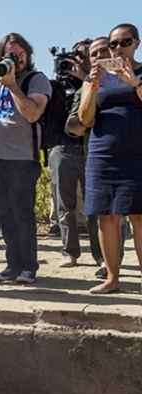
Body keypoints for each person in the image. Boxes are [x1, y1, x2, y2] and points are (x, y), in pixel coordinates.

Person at [0, 33, 52, 285]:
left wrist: (13, 84)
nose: (16, 59)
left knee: (22, 215)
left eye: (20, 54)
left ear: (28, 54)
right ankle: (12, 264)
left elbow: (33, 113)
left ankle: (28, 266)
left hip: (22, 160)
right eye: (10, 54)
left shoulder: (36, 80)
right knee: (2, 214)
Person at [79, 23, 142, 294]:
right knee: (106, 216)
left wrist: (134, 82)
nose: (117, 48)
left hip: (137, 152)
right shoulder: (96, 77)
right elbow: (84, 118)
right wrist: (93, 82)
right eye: (112, 44)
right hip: (103, 153)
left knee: (139, 216)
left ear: (136, 43)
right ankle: (112, 278)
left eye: (123, 42)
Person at [66, 37, 116, 280]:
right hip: (99, 157)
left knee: (137, 217)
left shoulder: (134, 76)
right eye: (93, 54)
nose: (99, 56)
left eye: (103, 50)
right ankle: (110, 268)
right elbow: (73, 124)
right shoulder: (88, 83)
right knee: (105, 216)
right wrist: (85, 120)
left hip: (132, 155)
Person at [51, 39, 101, 270]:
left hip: (89, 148)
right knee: (64, 204)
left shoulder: (98, 81)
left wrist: (85, 80)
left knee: (95, 206)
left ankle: (101, 255)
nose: (77, 62)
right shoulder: (58, 86)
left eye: (83, 56)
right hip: (62, 148)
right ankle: (69, 252)